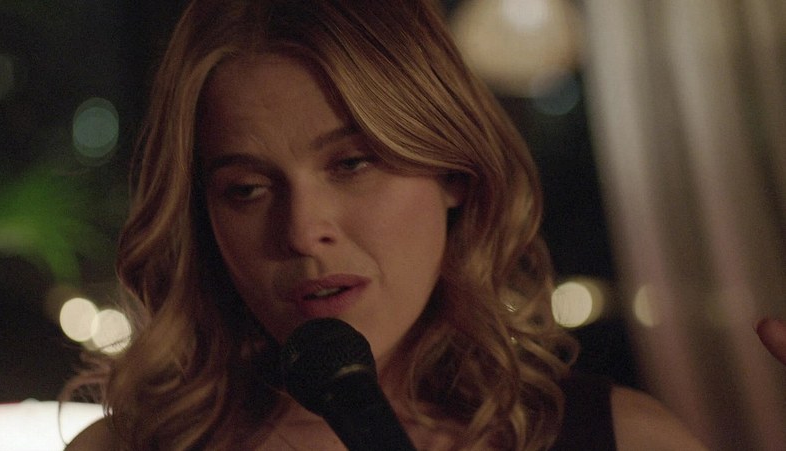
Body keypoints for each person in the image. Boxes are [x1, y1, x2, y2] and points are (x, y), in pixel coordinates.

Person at [65, 0, 706, 449]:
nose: (302, 231)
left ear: (452, 170)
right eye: (247, 189)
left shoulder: (626, 438)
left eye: (352, 163)